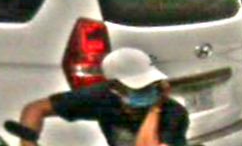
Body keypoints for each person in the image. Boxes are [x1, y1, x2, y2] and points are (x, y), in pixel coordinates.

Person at [18, 47, 189, 146]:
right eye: (137, 89)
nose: (145, 93)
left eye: (148, 86)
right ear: (115, 88)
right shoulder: (102, 98)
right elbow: (35, 109)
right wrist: (28, 142)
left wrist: (155, 109)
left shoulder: (173, 113)